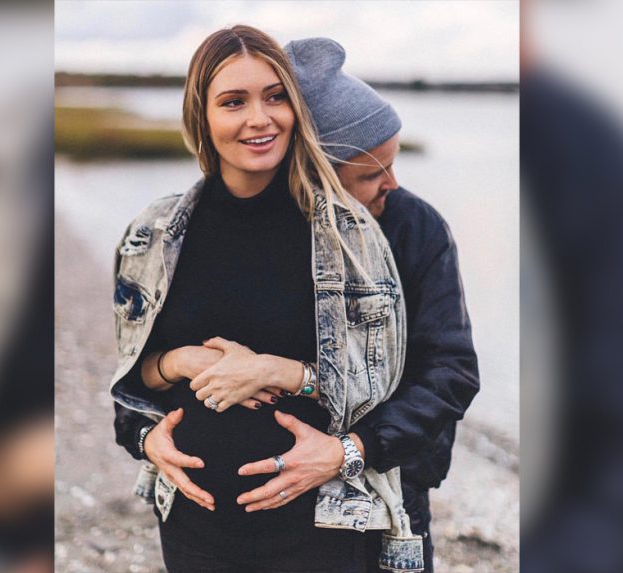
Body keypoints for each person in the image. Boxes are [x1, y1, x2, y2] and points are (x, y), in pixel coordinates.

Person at [115, 36, 481, 572]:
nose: (392, 185)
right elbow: (130, 371)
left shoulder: (397, 231)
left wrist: (336, 437)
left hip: (355, 508)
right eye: (370, 172)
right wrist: (150, 425)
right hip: (199, 530)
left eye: (274, 97)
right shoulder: (165, 231)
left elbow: (441, 371)